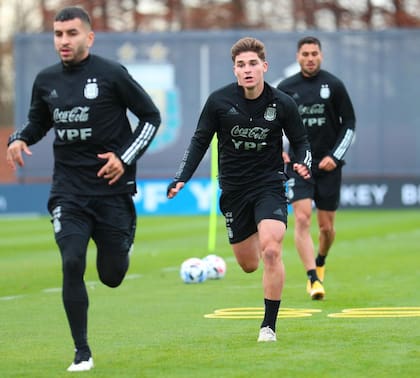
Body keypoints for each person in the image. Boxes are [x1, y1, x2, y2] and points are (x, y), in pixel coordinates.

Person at [6, 6, 161, 372]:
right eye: (58, 35)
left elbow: (152, 118)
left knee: (111, 276)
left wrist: (123, 158)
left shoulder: (111, 74)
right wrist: (19, 138)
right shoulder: (45, 80)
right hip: (68, 192)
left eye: (71, 34)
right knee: (72, 261)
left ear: (88, 37)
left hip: (112, 191)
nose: (64, 41)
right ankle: (82, 351)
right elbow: (39, 122)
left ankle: (124, 239)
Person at [167, 37, 312, 342]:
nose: (247, 70)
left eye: (253, 64)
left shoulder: (281, 103)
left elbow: (301, 141)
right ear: (234, 70)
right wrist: (182, 176)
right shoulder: (219, 102)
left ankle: (268, 326)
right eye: (241, 65)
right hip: (234, 190)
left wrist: (302, 162)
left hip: (269, 184)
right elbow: (199, 141)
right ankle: (260, 228)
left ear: (264, 67)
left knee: (272, 250)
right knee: (248, 264)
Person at [277, 36, 356, 300]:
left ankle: (320, 260)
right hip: (300, 165)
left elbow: (350, 123)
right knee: (301, 219)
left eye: (314, 54)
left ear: (320, 56)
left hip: (328, 166)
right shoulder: (286, 88)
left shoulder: (333, 85)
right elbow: (272, 123)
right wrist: (279, 150)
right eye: (305, 54)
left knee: (325, 229)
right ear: (297, 56)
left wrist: (335, 156)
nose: (310, 58)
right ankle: (313, 278)